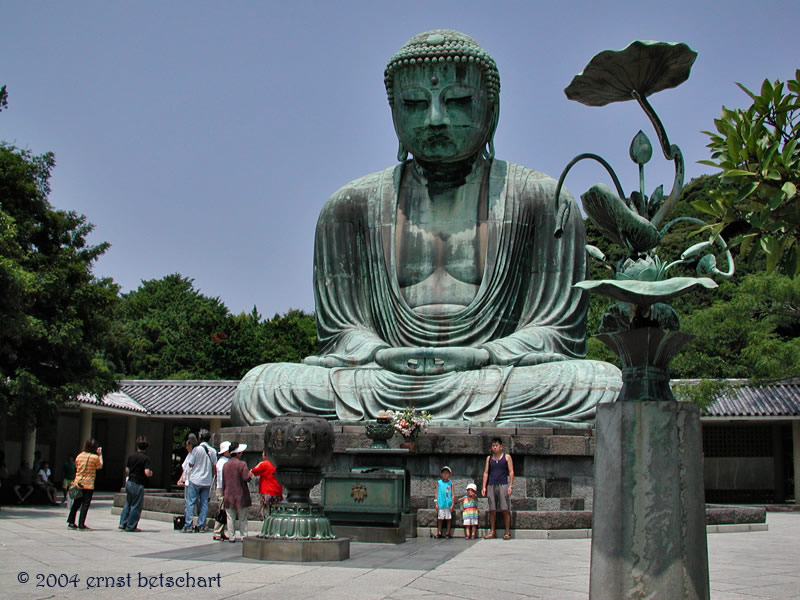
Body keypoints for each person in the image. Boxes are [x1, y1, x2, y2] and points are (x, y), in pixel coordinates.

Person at [231, 29, 621, 426]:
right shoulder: (349, 207)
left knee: (600, 384)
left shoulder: (542, 200)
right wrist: (380, 353)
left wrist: (484, 355)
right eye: (415, 103)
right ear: (394, 111)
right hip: (384, 375)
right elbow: (341, 332)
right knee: (261, 388)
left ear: (491, 109)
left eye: (458, 101)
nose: (436, 119)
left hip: (491, 375)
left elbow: (555, 332)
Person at [118, 435, 153, 532]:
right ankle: (131, 525)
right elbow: (146, 472)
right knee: (136, 505)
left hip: (130, 482)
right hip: (138, 483)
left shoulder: (131, 456)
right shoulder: (146, 458)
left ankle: (123, 523)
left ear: (137, 445)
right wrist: (150, 473)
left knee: (128, 503)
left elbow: (127, 469)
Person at [67, 439, 103, 530]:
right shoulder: (94, 457)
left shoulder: (79, 456)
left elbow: (77, 466)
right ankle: (81, 524)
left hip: (78, 482)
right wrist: (100, 455)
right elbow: (100, 466)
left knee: (76, 503)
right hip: (88, 484)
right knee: (85, 505)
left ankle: (71, 522)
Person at [481, 437, 514, 540]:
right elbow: (486, 472)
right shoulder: (489, 458)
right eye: (493, 446)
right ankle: (492, 531)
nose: (494, 448)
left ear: (501, 447)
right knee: (492, 509)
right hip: (491, 484)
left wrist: (510, 485)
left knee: (504, 509)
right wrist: (483, 486)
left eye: (496, 446)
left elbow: (511, 472)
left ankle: (507, 532)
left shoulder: (506, 457)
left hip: (503, 484)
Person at [222, 443, 251, 542]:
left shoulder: (225, 465)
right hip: (240, 494)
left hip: (228, 494)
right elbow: (246, 478)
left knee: (230, 517)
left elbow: (223, 481)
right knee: (243, 518)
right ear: (238, 453)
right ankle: (243, 536)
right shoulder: (242, 464)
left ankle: (231, 536)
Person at [251, 450, 282, 519]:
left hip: (266, 492)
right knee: (276, 513)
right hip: (277, 491)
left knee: (266, 512)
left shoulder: (264, 464)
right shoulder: (278, 464)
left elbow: (254, 471)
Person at [212, 440, 232, 541]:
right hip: (222, 488)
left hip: (223, 487)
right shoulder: (222, 462)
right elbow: (221, 478)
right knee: (222, 510)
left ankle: (221, 531)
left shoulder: (224, 461)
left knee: (224, 511)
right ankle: (217, 532)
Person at [433, 466, 454, 539]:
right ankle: (439, 532)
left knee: (448, 518)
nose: (445, 474)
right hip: (440, 503)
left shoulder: (451, 483)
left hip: (448, 504)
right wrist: (435, 502)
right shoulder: (438, 483)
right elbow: (436, 493)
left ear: (449, 474)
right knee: (440, 518)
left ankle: (448, 532)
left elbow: (453, 495)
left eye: (447, 473)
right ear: (441, 474)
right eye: (444, 473)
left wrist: (452, 504)